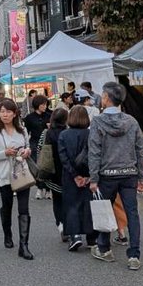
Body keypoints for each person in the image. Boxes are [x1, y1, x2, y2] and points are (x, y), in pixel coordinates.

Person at [87, 82, 143, 269]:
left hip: (107, 174)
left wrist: (94, 177)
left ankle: (104, 249)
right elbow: (140, 149)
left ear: (106, 98)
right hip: (129, 173)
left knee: (106, 209)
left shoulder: (97, 122)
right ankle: (134, 255)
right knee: (132, 213)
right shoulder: (131, 121)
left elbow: (94, 151)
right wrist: (142, 176)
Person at [0, 99, 33, 260]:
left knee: (24, 209)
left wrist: (27, 151)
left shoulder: (22, 131)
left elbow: (28, 146)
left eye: (8, 112)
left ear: (14, 114)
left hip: (22, 174)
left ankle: (24, 245)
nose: (5, 115)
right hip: (5, 175)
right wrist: (4, 153)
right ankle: (7, 234)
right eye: (2, 112)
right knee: (7, 207)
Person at [57, 105, 95, 252]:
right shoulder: (91, 134)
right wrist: (89, 175)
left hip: (70, 176)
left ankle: (75, 236)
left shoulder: (64, 135)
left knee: (71, 205)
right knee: (89, 205)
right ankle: (92, 237)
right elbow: (95, 155)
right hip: (89, 175)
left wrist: (74, 175)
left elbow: (63, 158)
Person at [42, 108, 68, 240]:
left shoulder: (47, 133)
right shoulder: (68, 132)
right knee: (69, 200)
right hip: (67, 171)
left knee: (57, 200)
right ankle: (70, 226)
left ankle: (61, 224)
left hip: (52, 171)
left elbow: (40, 150)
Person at [23, 93, 51, 160]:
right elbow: (26, 132)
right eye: (43, 105)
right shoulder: (29, 117)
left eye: (46, 104)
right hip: (34, 143)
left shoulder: (49, 115)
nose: (45, 106)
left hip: (46, 143)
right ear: (37, 104)